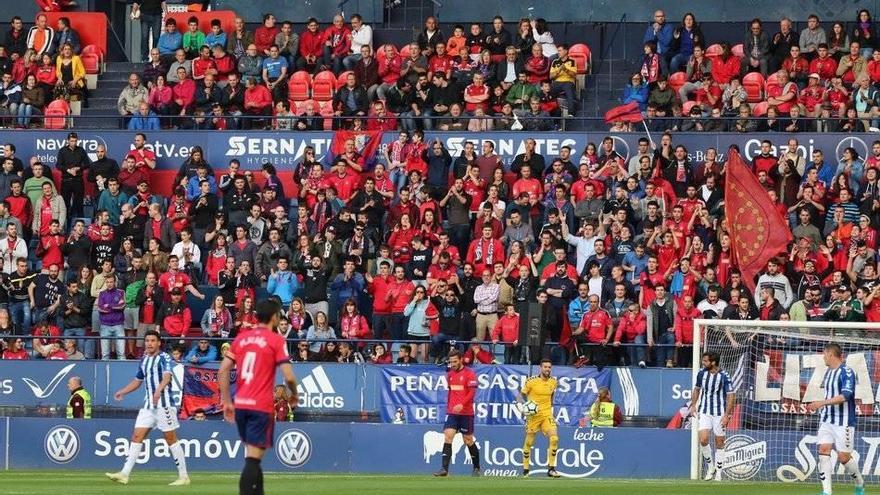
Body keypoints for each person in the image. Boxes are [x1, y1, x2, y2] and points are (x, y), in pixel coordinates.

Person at [219, 299, 298, 495]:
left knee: (254, 455)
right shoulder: (276, 340)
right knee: (252, 460)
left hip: (241, 406)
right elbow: (288, 376)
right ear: (273, 317)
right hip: (260, 407)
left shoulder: (241, 339)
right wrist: (294, 394)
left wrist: (227, 401)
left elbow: (222, 371)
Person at [106, 330, 189, 486]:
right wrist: (122, 391)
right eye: (147, 340)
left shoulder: (164, 358)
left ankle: (183, 476)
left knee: (170, 439)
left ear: (159, 343)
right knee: (137, 436)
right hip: (148, 406)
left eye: (152, 340)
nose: (149, 343)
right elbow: (138, 380)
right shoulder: (144, 359)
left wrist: (158, 390)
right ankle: (124, 474)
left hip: (164, 405)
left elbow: (167, 376)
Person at [807, 342, 865, 495]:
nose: (823, 358)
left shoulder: (846, 372)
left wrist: (821, 403)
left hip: (844, 422)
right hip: (827, 419)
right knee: (823, 450)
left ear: (831, 354)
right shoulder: (828, 372)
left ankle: (859, 483)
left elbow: (846, 396)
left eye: (824, 354)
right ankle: (827, 492)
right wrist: (821, 405)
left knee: (843, 457)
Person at [433, 349, 481, 477]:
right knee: (448, 436)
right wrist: (450, 407)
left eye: (455, 361)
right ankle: (444, 469)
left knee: (468, 440)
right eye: (451, 362)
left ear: (461, 360)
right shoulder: (450, 374)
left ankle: (476, 468)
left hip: (466, 412)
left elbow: (472, 393)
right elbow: (451, 392)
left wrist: (462, 404)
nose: (452, 364)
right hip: (452, 412)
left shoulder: (470, 374)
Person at [689, 351, 735, 482]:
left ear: (713, 362)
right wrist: (693, 405)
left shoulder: (724, 375)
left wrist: (727, 415)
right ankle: (711, 468)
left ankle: (719, 473)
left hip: (720, 413)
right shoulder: (701, 373)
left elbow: (731, 395)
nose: (703, 363)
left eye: (705, 361)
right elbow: (697, 389)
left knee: (719, 442)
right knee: (703, 439)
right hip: (704, 411)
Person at [517, 359, 561, 478]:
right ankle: (526, 470)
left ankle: (551, 469)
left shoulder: (553, 382)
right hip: (533, 416)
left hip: (547, 415)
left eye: (549, 367)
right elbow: (520, 396)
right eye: (545, 367)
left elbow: (551, 397)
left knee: (554, 439)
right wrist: (520, 406)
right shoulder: (531, 381)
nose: (547, 369)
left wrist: (552, 413)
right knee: (529, 442)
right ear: (540, 368)